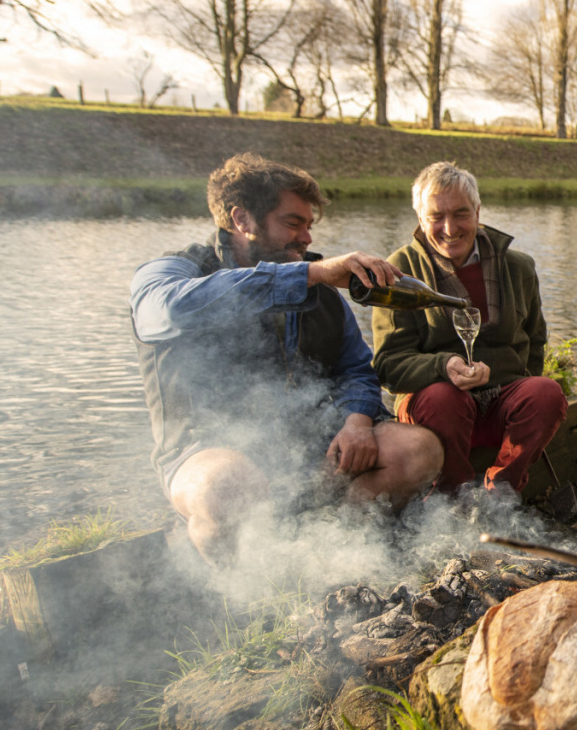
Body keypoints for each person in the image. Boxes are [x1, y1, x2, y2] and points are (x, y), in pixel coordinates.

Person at [131, 152, 443, 566]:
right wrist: (310, 275)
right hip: (207, 448)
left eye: (309, 225)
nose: (307, 239)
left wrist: (356, 422)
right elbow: (165, 312)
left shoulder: (314, 281)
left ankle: (335, 556)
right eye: (293, 223)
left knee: (418, 449)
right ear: (241, 219)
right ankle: (246, 596)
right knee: (225, 487)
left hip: (311, 452)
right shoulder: (172, 273)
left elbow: (355, 369)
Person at [371, 162, 568, 496]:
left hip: (500, 403)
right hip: (434, 412)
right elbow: (389, 366)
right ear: (420, 220)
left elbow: (535, 341)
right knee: (443, 397)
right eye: (436, 216)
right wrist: (443, 366)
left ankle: (501, 495)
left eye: (461, 214)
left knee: (545, 392)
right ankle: (451, 496)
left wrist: (518, 389)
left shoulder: (518, 267)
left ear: (477, 212)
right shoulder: (398, 272)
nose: (450, 228)